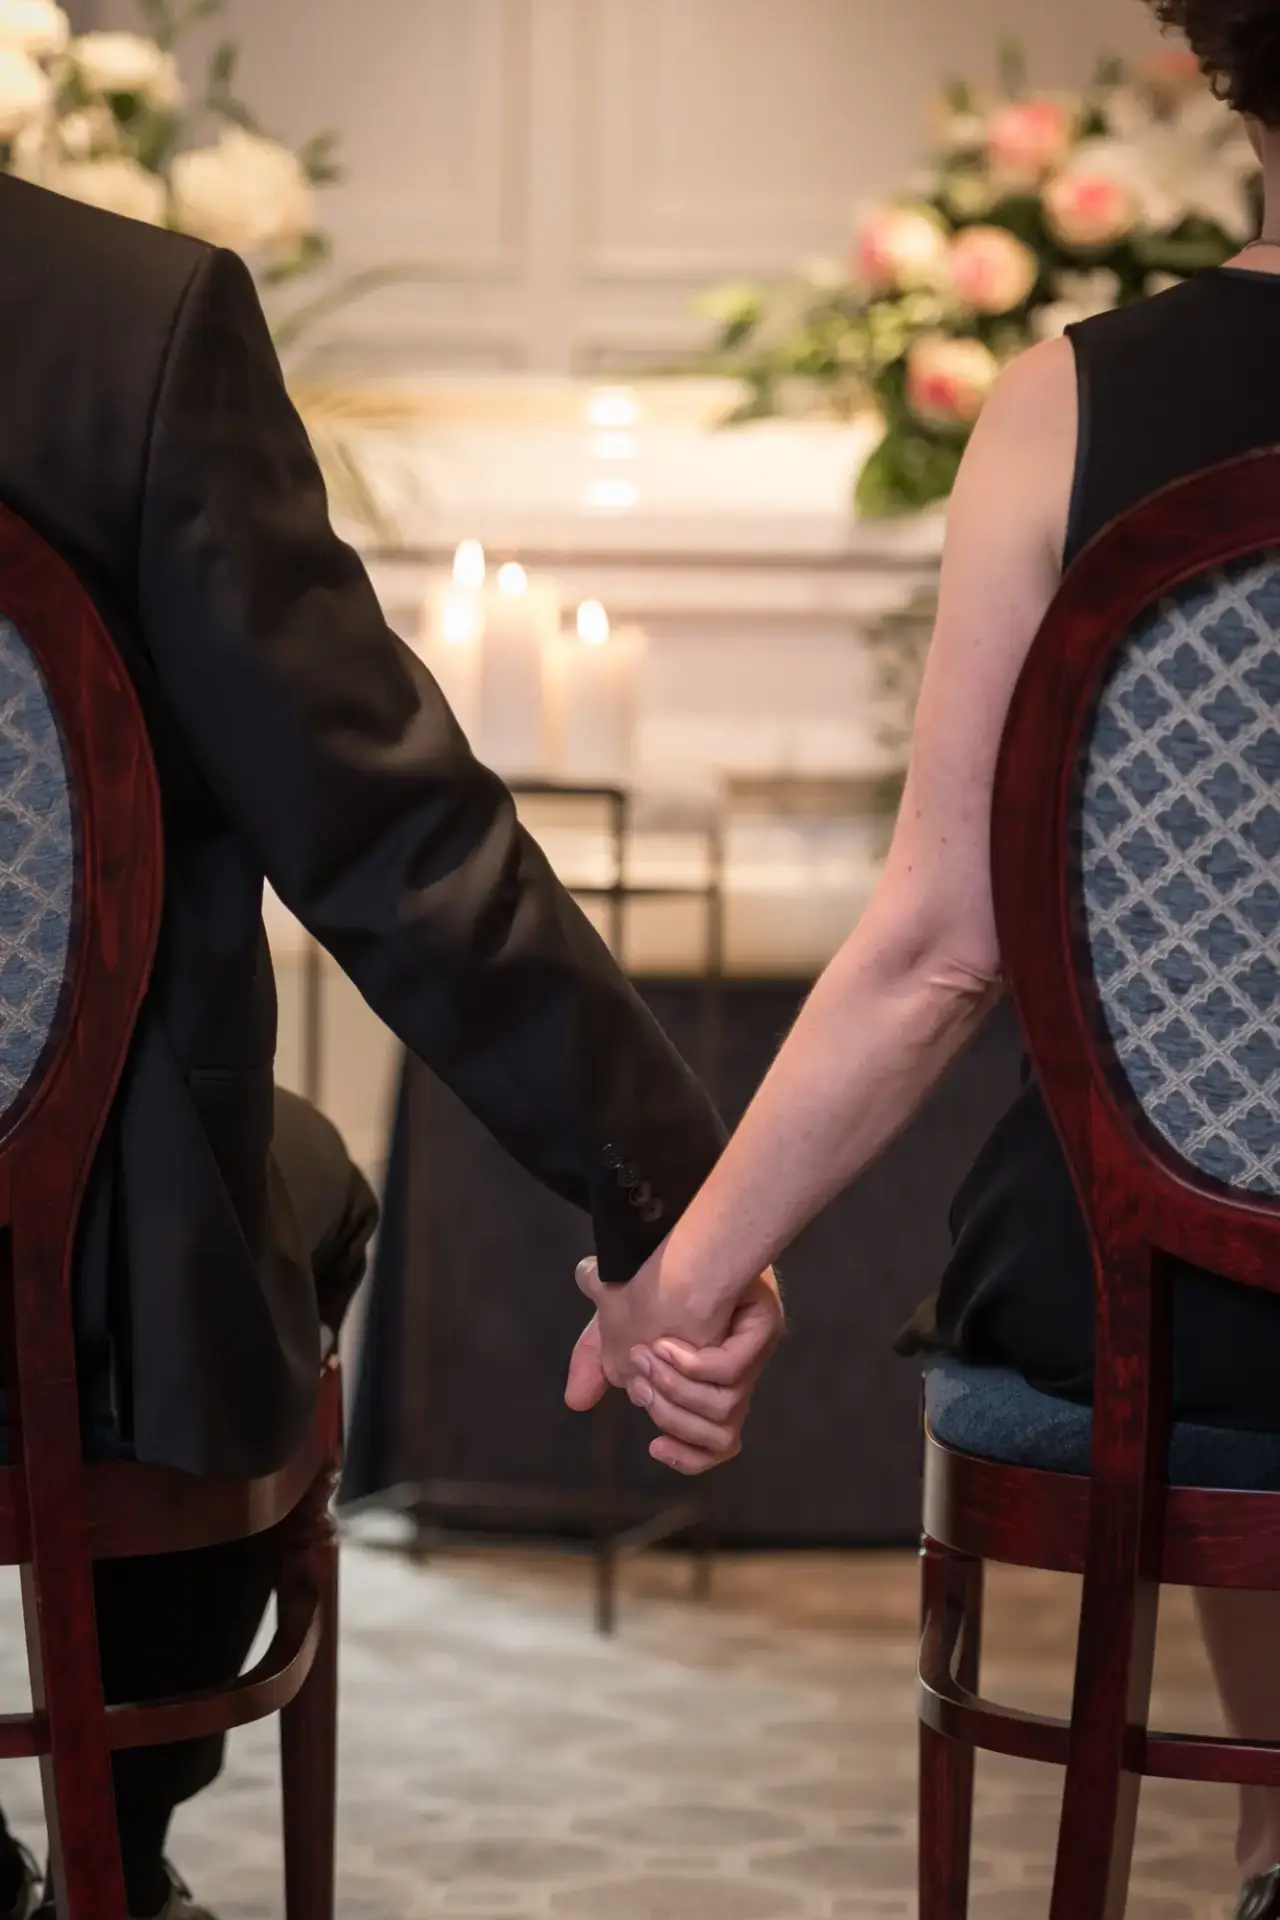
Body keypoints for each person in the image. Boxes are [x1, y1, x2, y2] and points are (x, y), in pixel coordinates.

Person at [0, 173, 782, 1920]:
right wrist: (682, 1200)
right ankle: (116, 1859)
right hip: (59, 1291)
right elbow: (386, 838)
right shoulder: (114, 319)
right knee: (286, 1184)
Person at [567, 6, 1280, 1912]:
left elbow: (941, 945)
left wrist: (688, 1274)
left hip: (1162, 1305)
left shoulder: (1075, 405)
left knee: (1221, 1283)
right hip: (1195, 1307)